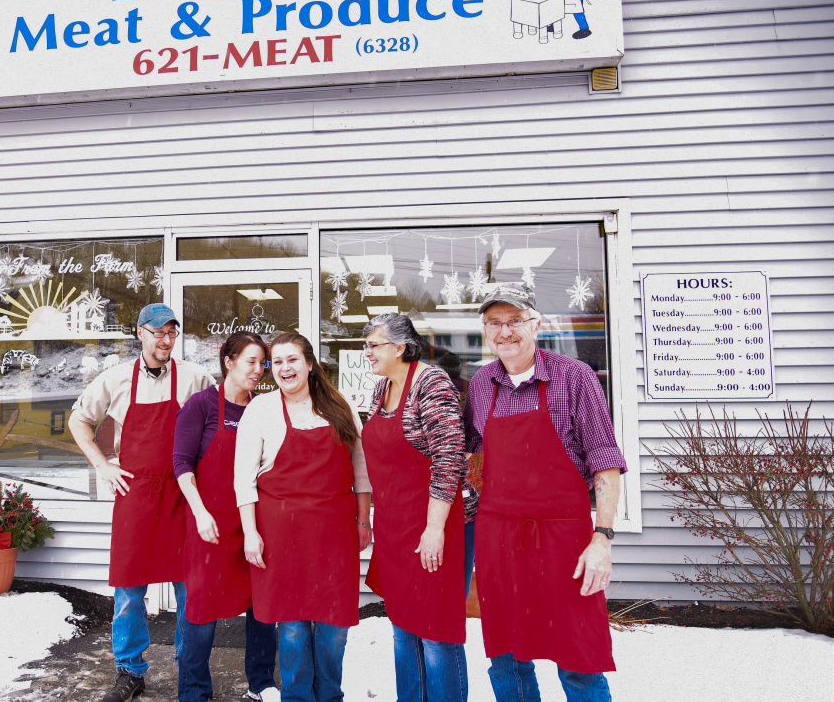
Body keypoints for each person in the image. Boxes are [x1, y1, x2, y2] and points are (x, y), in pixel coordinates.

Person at [464, 283, 628, 702]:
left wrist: (602, 539)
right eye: (494, 323)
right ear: (485, 330)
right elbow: (474, 456)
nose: (505, 332)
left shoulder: (575, 378)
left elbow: (605, 459)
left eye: (515, 320)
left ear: (536, 324)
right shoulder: (482, 384)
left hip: (565, 539)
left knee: (578, 656)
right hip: (498, 536)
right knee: (506, 654)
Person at [69, 303, 215, 702]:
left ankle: (192, 670)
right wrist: (102, 465)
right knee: (129, 589)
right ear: (140, 333)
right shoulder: (115, 379)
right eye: (157, 332)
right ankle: (130, 670)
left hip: (183, 493)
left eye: (171, 332)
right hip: (135, 497)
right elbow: (78, 420)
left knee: (188, 587)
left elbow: (214, 427)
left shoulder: (197, 377)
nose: (165, 340)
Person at [235, 333, 372, 702]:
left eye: (292, 359)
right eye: (276, 362)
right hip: (282, 536)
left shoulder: (339, 406)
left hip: (334, 533)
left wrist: (364, 520)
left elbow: (360, 470)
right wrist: (251, 533)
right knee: (292, 625)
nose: (284, 368)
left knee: (334, 625)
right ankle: (297, 697)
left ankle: (330, 695)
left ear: (309, 364)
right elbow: (243, 481)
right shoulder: (261, 410)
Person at [360, 313, 474, 701]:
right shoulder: (381, 390)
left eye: (374, 345)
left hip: (432, 525)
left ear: (400, 347)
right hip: (394, 526)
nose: (367, 352)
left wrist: (433, 529)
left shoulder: (432, 382)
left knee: (437, 632)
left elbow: (449, 458)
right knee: (403, 626)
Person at [173, 332, 280, 702]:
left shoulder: (264, 408)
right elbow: (182, 464)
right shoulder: (200, 406)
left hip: (253, 523)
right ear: (228, 361)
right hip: (211, 523)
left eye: (262, 363)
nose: (258, 370)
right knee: (200, 611)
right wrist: (200, 512)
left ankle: (261, 681)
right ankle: (194, 691)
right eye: (250, 362)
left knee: (261, 606)